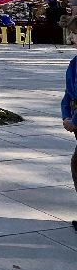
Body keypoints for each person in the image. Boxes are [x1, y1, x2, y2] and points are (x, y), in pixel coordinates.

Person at [61, 15, 77, 233]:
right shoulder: (74, 63)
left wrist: (75, 121)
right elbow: (68, 94)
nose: (72, 37)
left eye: (74, 33)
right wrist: (65, 115)